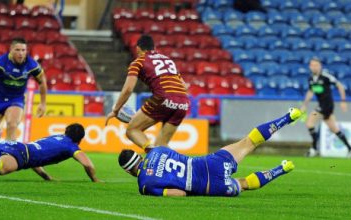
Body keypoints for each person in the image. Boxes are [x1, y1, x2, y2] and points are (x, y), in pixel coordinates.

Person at [118, 108, 302, 197]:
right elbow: (157, 149)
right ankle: (287, 117)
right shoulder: (156, 150)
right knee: (248, 142)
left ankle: (282, 169)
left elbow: (179, 194)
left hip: (210, 186)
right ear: (139, 156)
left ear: (128, 171)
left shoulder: (144, 185)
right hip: (210, 163)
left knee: (244, 183)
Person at [105, 34, 190, 153]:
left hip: (163, 97)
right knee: (162, 145)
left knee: (132, 130)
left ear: (138, 48)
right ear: (154, 47)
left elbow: (128, 89)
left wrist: (115, 110)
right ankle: (183, 165)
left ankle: (152, 154)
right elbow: (184, 86)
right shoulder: (168, 60)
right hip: (183, 102)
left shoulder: (138, 62)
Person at [0, 38, 47, 147]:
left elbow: (42, 81)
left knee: (12, 124)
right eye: (17, 50)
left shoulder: (32, 65)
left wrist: (43, 103)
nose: (21, 53)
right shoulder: (0, 63)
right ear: (11, 50)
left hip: (16, 99)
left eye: (23, 50)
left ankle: (8, 156)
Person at [300, 57, 350, 157]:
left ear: (320, 66)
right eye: (312, 65)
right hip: (322, 106)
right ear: (310, 67)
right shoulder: (310, 79)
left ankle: (314, 148)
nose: (314, 67)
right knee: (334, 129)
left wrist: (343, 101)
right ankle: (349, 148)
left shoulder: (326, 76)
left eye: (316, 65)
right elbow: (310, 92)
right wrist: (304, 105)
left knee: (310, 122)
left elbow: (340, 86)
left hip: (327, 105)